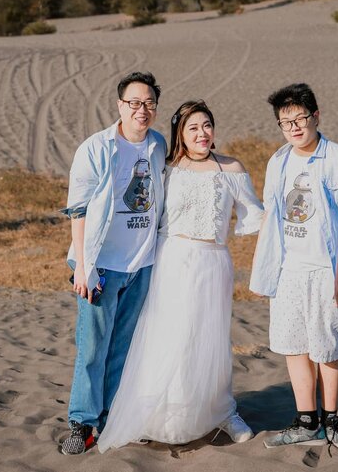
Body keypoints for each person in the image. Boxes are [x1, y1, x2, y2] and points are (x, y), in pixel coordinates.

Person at [98, 100, 264, 452]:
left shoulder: (232, 168)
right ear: (180, 135)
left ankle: (221, 410)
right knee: (170, 334)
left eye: (207, 125)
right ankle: (164, 410)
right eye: (193, 128)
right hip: (172, 259)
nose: (202, 133)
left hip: (213, 261)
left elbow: (255, 215)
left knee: (211, 337)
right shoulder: (166, 167)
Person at [250, 83, 338, 451]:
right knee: (294, 345)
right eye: (285, 122)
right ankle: (307, 420)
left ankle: (332, 418)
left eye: (300, 118)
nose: (294, 128)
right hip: (288, 270)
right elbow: (273, 215)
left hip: (324, 270)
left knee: (327, 345)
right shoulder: (278, 161)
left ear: (316, 116)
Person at [60, 71, 167, 455]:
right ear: (120, 105)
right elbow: (79, 209)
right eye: (135, 103)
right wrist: (84, 267)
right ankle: (82, 422)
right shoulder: (96, 147)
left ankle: (111, 418)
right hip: (101, 265)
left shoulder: (157, 144)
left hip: (141, 265)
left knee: (123, 345)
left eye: (149, 103)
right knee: (92, 348)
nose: (143, 110)